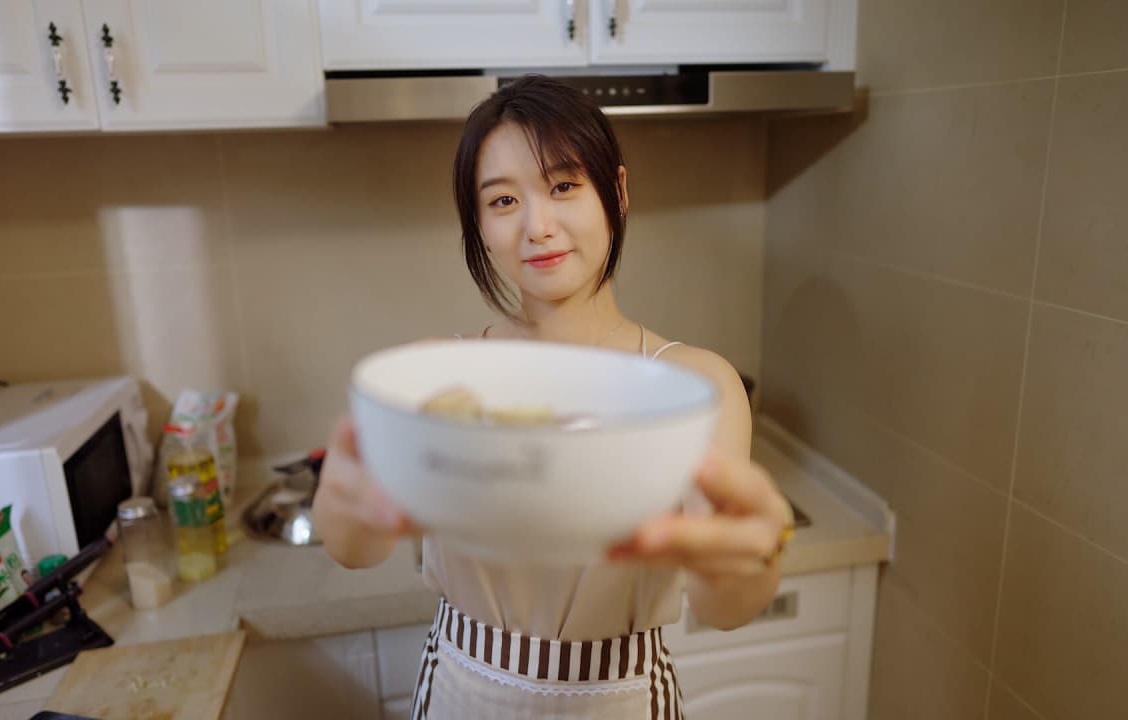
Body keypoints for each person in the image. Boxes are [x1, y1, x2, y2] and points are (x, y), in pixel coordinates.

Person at [312, 75, 794, 720]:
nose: (538, 227)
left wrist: (749, 559)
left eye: (564, 186)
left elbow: (725, 607)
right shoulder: (442, 377)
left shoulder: (697, 385)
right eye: (504, 200)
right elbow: (355, 551)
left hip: (619, 699)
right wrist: (345, 503)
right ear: (479, 224)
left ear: (617, 192)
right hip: (460, 690)